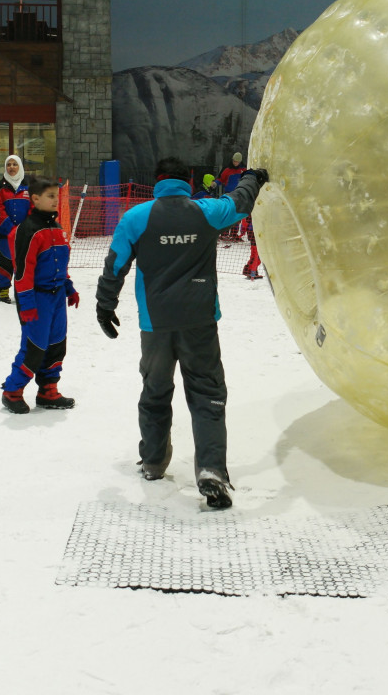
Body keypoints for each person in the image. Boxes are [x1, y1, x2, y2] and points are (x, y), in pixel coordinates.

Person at [96, 155, 267, 509]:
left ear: (158, 180)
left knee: (155, 392)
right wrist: (254, 176)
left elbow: (115, 264)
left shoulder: (135, 218)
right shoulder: (206, 211)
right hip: (199, 321)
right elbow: (240, 200)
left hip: (155, 325)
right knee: (208, 395)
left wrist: (105, 304)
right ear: (186, 180)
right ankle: (211, 471)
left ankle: (154, 463)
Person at [0, 176, 79, 414]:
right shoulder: (27, 230)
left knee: (57, 345)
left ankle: (48, 391)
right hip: (36, 298)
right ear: (35, 199)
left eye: (57, 195)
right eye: (50, 196)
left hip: (56, 298)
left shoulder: (56, 228)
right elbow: (23, 272)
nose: (56, 200)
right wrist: (27, 304)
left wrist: (69, 287)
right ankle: (12, 391)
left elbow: (60, 265)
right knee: (35, 346)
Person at [0, 154, 29, 305]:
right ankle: (3, 290)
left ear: (20, 167)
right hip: (4, 235)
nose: (11, 167)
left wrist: (26, 228)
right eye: (9, 164)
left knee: (24, 263)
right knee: (5, 262)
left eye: (15, 164)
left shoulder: (28, 186)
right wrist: (10, 229)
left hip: (24, 235)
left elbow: (33, 207)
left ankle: (22, 291)